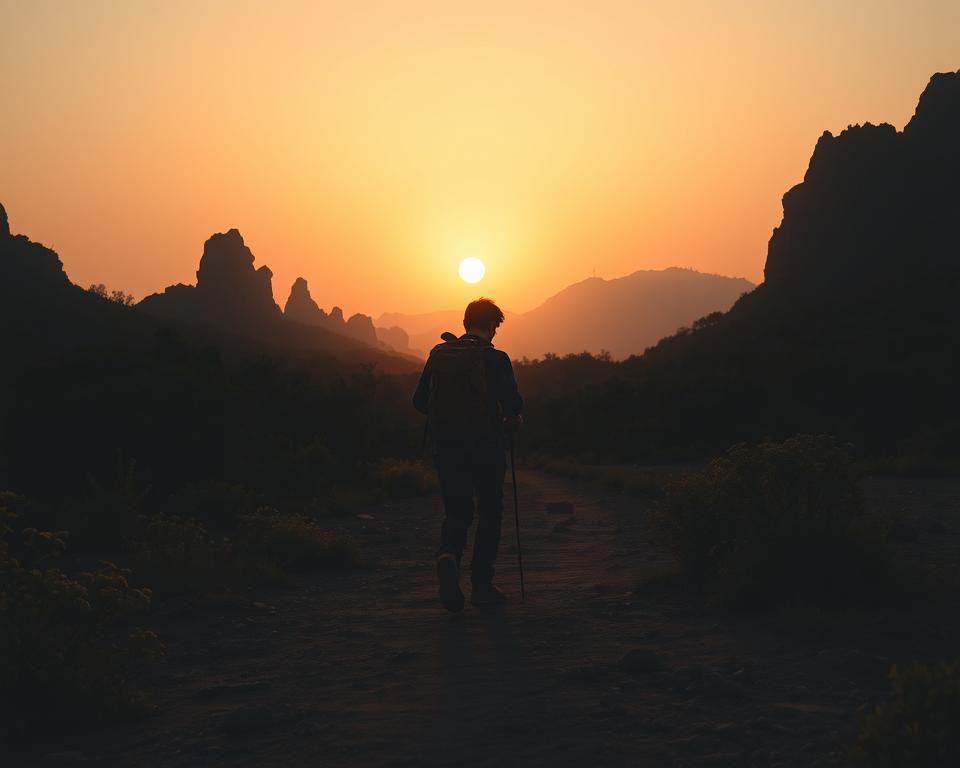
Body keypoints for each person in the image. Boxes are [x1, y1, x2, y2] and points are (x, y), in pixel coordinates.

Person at [413, 298, 523, 613]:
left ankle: (448, 554)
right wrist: (510, 418)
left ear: (464, 323)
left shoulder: (438, 356)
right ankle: (482, 586)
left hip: (447, 447)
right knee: (490, 512)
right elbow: (513, 405)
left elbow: (420, 402)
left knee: (457, 512)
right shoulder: (496, 358)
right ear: (492, 326)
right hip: (486, 447)